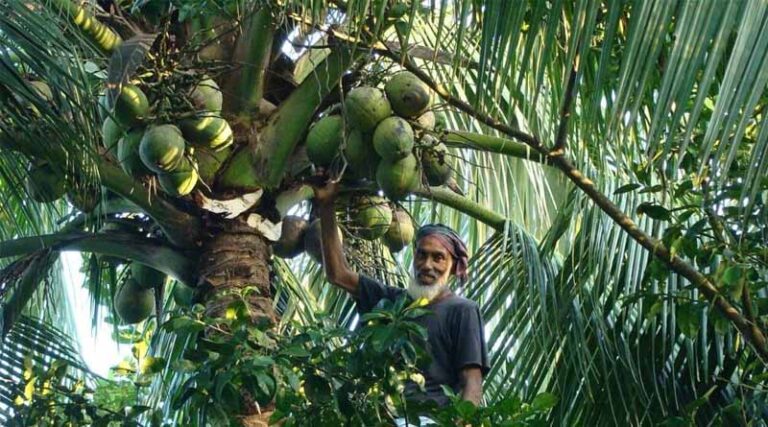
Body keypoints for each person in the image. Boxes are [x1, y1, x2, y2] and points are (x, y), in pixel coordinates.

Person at [313, 180, 490, 408]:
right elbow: (338, 274)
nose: (427, 265)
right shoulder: (391, 301)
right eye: (421, 255)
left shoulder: (463, 310)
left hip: (433, 421)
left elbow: (472, 384)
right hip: (384, 417)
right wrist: (327, 206)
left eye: (438, 258)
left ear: (455, 267)